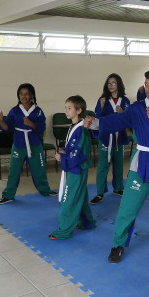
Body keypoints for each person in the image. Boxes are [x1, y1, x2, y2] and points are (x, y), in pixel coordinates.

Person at [83, 68, 149, 263]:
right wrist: (96, 123)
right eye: (146, 84)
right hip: (143, 162)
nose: (148, 88)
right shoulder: (137, 108)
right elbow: (117, 120)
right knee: (129, 206)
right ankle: (118, 243)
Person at [0, 83, 57, 204]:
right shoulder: (15, 110)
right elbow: (7, 127)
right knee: (14, 170)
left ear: (32, 95)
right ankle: (8, 195)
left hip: (34, 143)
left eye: (26, 94)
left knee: (39, 169)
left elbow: (42, 127)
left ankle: (45, 190)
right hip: (19, 144)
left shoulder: (38, 111)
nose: (23, 96)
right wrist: (1, 121)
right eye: (21, 94)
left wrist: (31, 124)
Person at [50, 95, 96, 240]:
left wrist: (62, 157)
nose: (66, 111)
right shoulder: (74, 127)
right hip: (76, 167)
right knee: (80, 196)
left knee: (68, 199)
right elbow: (73, 148)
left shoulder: (81, 129)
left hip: (76, 169)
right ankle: (87, 222)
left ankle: (64, 231)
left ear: (78, 110)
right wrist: (64, 151)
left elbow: (78, 153)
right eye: (66, 107)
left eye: (69, 108)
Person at [91, 74, 130, 205]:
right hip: (106, 136)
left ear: (119, 84)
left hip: (119, 137)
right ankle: (100, 192)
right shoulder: (102, 100)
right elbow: (98, 119)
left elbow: (129, 120)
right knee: (103, 165)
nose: (111, 85)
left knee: (119, 163)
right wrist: (101, 107)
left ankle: (118, 188)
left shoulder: (125, 101)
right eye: (109, 83)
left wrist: (122, 113)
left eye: (113, 83)